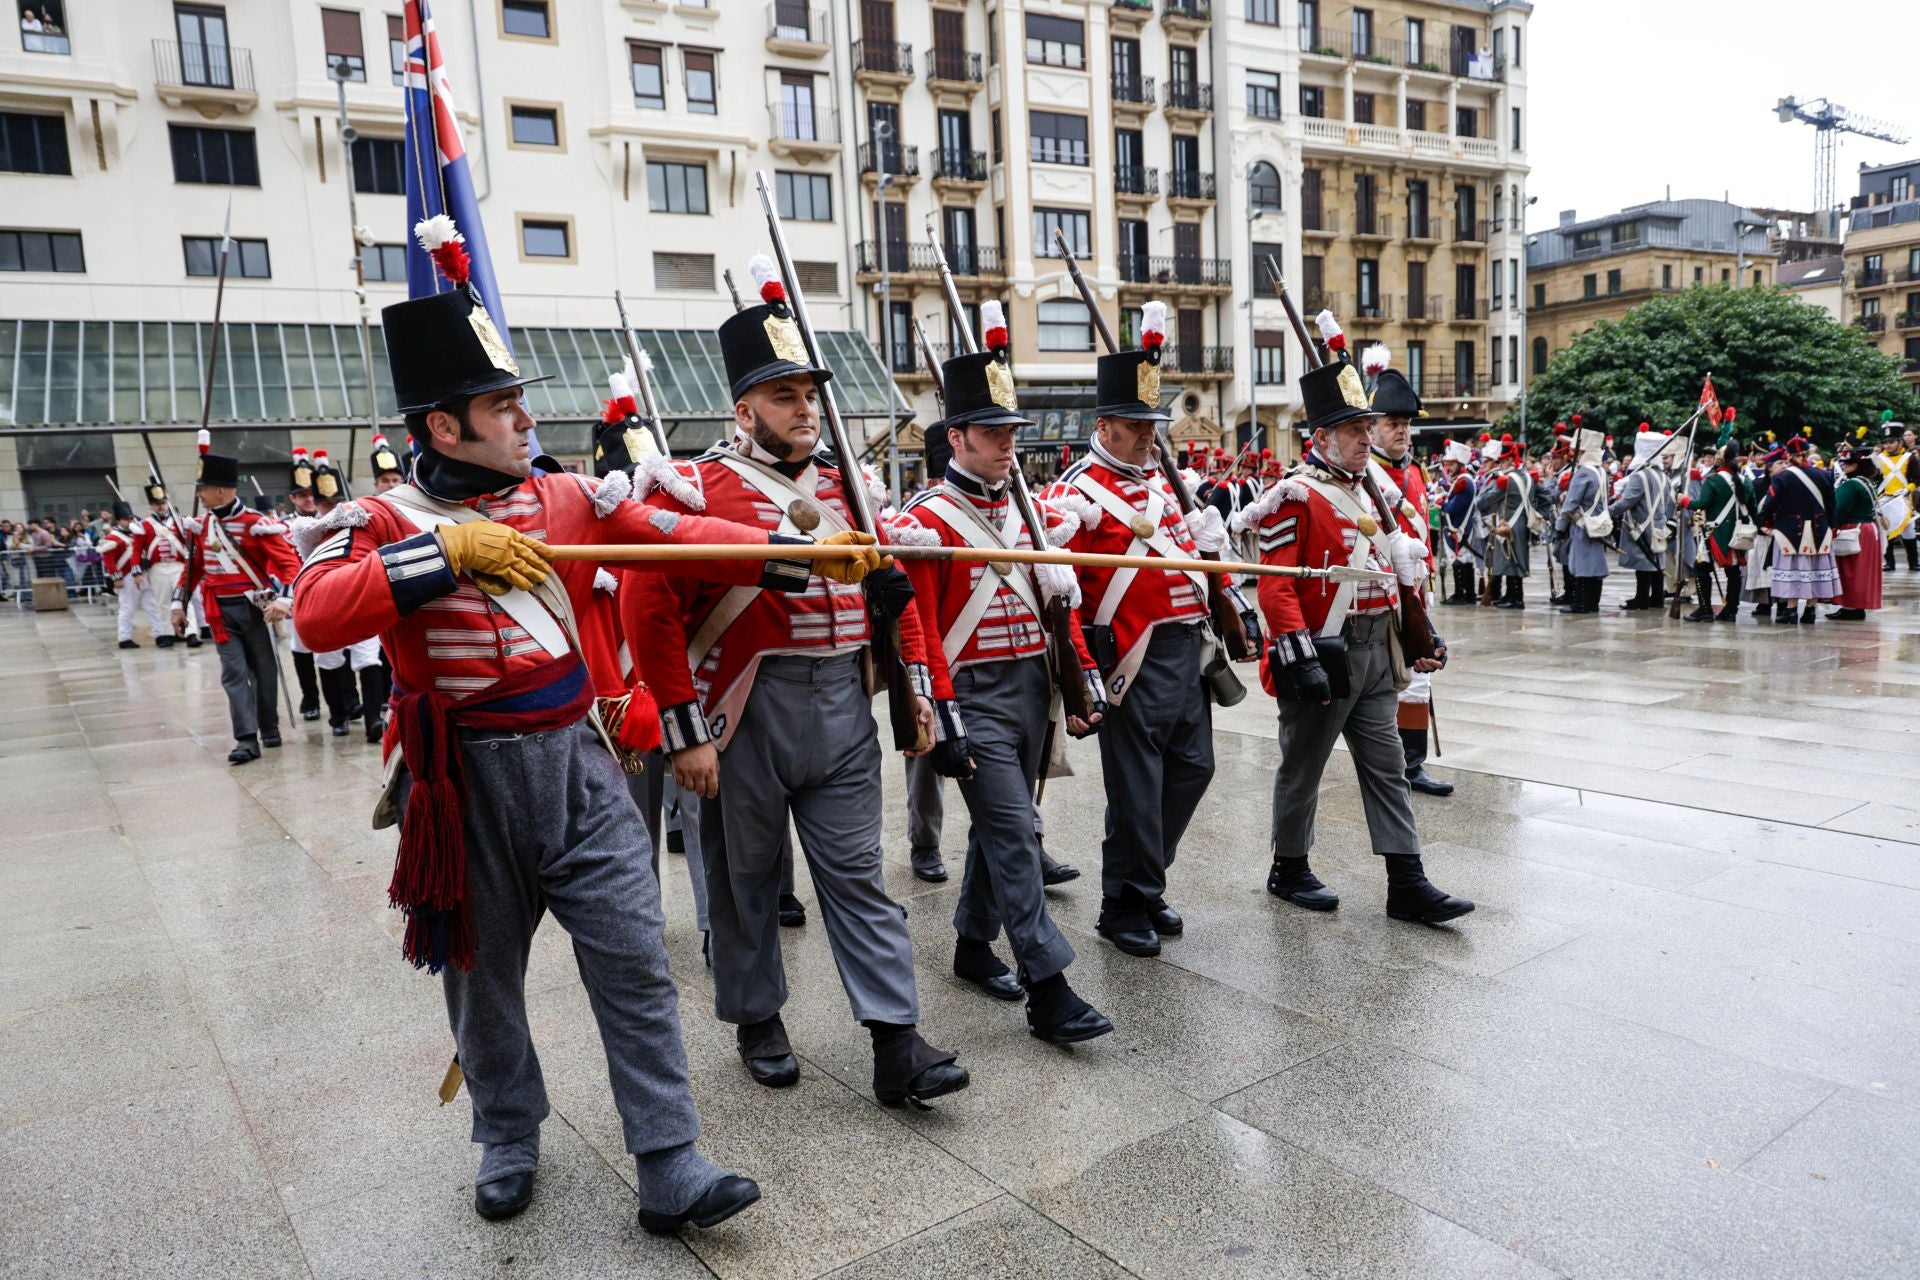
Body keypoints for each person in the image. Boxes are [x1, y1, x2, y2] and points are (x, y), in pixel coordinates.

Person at [292, 243, 841, 1231]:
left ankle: (670, 1159)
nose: (526, 419)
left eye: (520, 402)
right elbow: (317, 613)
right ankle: (507, 1134)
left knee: (634, 961)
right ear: (444, 425)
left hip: (580, 765)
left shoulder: (566, 496)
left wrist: (793, 551)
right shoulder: (380, 519)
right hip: (463, 782)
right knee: (482, 981)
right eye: (503, 407)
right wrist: (443, 553)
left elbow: (674, 539)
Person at [622, 256, 969, 1109]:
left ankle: (896, 1039)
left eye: (810, 395)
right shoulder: (698, 488)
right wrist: (684, 732)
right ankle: (757, 1018)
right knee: (745, 880)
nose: (806, 410)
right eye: (785, 397)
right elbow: (647, 608)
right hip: (743, 708)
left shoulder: (852, 488)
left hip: (844, 703)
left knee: (858, 876)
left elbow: (895, 595)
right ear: (744, 410)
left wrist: (916, 686)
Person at [890, 313, 1113, 1044]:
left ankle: (969, 943)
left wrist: (1082, 676)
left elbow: (1059, 604)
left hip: (1031, 689)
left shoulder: (1030, 513)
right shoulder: (928, 521)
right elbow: (920, 631)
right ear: (956, 438)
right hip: (972, 696)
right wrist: (940, 713)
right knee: (1017, 831)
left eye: (1010, 431)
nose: (1007, 443)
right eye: (991, 433)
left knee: (1000, 828)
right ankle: (1048, 987)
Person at [1238, 332, 1471, 926]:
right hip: (1324, 649)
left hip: (1375, 649)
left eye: (1368, 428)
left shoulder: (1373, 490)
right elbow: (1275, 585)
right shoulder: (1293, 495)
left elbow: (1396, 571)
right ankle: (1289, 866)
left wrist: (1420, 633)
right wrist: (1298, 654)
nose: (1367, 438)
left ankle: (1407, 882)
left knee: (1388, 767)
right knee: (1303, 767)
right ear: (1322, 438)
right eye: (1354, 430)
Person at [1041, 301, 1222, 959]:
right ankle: (1124, 901)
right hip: (1130, 655)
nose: (1149, 436)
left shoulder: (1163, 486)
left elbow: (1185, 560)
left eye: (1153, 425)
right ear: (1104, 426)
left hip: (1186, 647)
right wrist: (1083, 671)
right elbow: (1060, 592)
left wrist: (1211, 548)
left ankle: (1143, 881)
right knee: (1138, 790)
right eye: (1136, 425)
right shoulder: (1072, 491)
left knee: (1194, 769)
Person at [171, 438, 303, 763]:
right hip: (218, 610)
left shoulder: (255, 524)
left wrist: (285, 601)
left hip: (254, 607)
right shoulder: (201, 526)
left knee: (264, 670)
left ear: (220, 490)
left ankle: (268, 726)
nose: (199, 495)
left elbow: (291, 566)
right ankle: (246, 738)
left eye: (203, 489)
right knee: (233, 672)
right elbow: (192, 569)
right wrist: (178, 605)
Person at [1363, 356, 1451, 797]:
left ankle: (1411, 765)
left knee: (1420, 677)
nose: (1401, 431)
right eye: (1392, 423)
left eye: (1406, 424)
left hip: (1416, 588)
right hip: (1381, 590)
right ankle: (1389, 764)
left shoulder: (1414, 471)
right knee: (1387, 682)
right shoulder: (1366, 475)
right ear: (1372, 427)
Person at [1757, 437, 1838, 624]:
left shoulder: (1782, 477)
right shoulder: (1823, 475)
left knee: (1792, 570)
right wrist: (1832, 526)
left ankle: (1791, 610)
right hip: (1820, 530)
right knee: (1817, 570)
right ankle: (1810, 610)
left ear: (1789, 455)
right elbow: (1832, 505)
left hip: (1789, 531)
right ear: (1808, 453)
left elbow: (1770, 503)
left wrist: (1765, 522)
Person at [1683, 432, 1754, 623]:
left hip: (1715, 533)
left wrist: (1685, 501)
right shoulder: (1746, 482)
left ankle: (1705, 610)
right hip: (1738, 533)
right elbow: (1753, 509)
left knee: (1701, 569)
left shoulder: (1713, 480)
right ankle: (1731, 610)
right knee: (1733, 572)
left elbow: (1702, 503)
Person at [1609, 427, 1676, 611]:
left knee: (1644, 564)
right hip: (1659, 526)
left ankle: (1642, 599)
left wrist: (1607, 512)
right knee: (1656, 563)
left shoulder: (1640, 476)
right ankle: (1656, 598)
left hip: (1641, 526)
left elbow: (1626, 502)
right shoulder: (1664, 477)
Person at [1471, 434, 1536, 611]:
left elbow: (1483, 501)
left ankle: (1516, 599)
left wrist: (1492, 484)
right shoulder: (1527, 476)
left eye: (1502, 461)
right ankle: (1511, 595)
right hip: (1523, 523)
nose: (1500, 465)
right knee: (1514, 559)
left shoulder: (1506, 480)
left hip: (1509, 525)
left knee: (1511, 560)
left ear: (1509, 460)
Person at [1555, 418, 1610, 614]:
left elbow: (1570, 504)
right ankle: (1593, 602)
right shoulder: (1600, 472)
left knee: (1582, 565)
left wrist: (1560, 528)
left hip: (1582, 525)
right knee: (1595, 565)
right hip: (1597, 523)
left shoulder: (1583, 473)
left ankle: (1580, 603)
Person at [1829, 441, 1883, 620]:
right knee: (1862, 572)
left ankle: (1850, 608)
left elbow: (1839, 510)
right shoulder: (1867, 481)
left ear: (1855, 465)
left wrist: (1831, 525)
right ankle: (1858, 606)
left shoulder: (1851, 484)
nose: (1843, 466)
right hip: (1868, 530)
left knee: (1851, 571)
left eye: (1847, 463)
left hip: (1854, 529)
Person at [101, 501, 161, 648]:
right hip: (127, 576)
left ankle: (160, 633)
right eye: (125, 519)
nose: (129, 521)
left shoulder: (137, 533)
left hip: (142, 573)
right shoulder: (111, 538)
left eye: (130, 518)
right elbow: (109, 561)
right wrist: (116, 578)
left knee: (152, 605)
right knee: (127, 608)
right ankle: (124, 638)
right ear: (117, 521)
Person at [1872, 414, 1919, 572]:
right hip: (1884, 500)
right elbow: (1875, 480)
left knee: (1908, 530)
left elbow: (1916, 478)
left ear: (1899, 442)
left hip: (1903, 499)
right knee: (1886, 530)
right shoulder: (1878, 459)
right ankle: (1889, 563)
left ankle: (1913, 563)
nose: (1888, 445)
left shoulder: (1909, 458)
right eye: (1885, 442)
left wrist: (1908, 489)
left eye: (1891, 442)